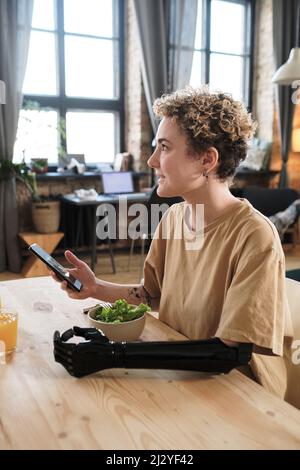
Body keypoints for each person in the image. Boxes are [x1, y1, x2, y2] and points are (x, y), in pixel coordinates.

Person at [52, 86, 293, 398]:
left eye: (164, 148)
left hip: (239, 389)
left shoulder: (254, 235)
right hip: (182, 372)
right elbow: (152, 294)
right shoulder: (174, 218)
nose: (152, 161)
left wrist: (115, 356)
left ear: (207, 159)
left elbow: (226, 353)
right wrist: (97, 288)